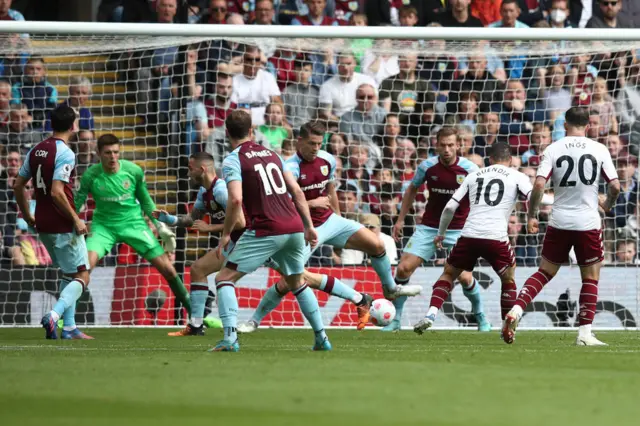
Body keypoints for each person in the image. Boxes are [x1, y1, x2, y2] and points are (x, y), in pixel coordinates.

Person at [238, 122, 421, 333]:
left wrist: (340, 221)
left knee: (376, 244)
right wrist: (312, 204)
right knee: (291, 280)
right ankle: (254, 320)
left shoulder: (327, 160)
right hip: (302, 229)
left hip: (330, 221)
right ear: (300, 141)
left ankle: (390, 288)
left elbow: (331, 190)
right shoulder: (289, 168)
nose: (315, 148)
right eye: (311, 144)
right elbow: (283, 205)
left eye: (318, 144)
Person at [502, 106, 621, 346]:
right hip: (587, 222)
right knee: (590, 276)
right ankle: (585, 334)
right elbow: (616, 186)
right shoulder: (599, 149)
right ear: (588, 125)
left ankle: (516, 309)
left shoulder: (553, 148)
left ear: (564, 125)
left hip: (559, 221)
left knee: (544, 272)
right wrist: (607, 204)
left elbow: (538, 186)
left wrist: (532, 215)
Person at [211, 110, 328, 352]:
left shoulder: (233, 159)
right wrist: (308, 226)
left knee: (224, 278)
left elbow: (234, 200)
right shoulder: (273, 154)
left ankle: (230, 339)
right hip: (295, 226)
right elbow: (296, 192)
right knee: (296, 281)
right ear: (252, 130)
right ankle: (321, 338)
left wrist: (225, 234)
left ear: (227, 133)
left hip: (267, 229)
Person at [413, 142, 533, 333]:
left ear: (489, 159)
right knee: (508, 279)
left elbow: (450, 207)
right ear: (510, 160)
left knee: (448, 274)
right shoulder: (518, 176)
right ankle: (506, 327)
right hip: (496, 237)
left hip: (469, 235)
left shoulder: (474, 175)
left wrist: (441, 234)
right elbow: (532, 196)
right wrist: (533, 215)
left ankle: (431, 314)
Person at [74, 134, 192, 327]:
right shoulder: (90, 175)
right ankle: (67, 320)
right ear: (98, 154)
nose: (112, 157)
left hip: (134, 224)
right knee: (85, 268)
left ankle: (195, 316)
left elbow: (146, 201)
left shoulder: (133, 171)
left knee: (169, 270)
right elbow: (76, 204)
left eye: (115, 152)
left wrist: (160, 226)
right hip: (103, 227)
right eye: (107, 153)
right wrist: (72, 225)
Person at [390, 126, 491, 332]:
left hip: (459, 229)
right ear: (436, 145)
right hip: (429, 227)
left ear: (458, 145)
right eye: (443, 145)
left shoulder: (470, 169)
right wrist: (400, 220)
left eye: (451, 145)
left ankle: (480, 316)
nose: (447, 149)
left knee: (464, 277)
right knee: (403, 268)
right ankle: (395, 319)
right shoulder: (427, 167)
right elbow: (412, 189)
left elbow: (481, 199)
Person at [12, 104, 92, 340]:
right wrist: (76, 218)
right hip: (62, 222)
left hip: (42, 222)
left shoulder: (36, 149)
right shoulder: (66, 153)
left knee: (68, 274)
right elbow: (57, 192)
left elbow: (18, 184)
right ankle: (54, 316)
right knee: (83, 275)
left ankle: (69, 328)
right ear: (73, 125)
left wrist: (28, 215)